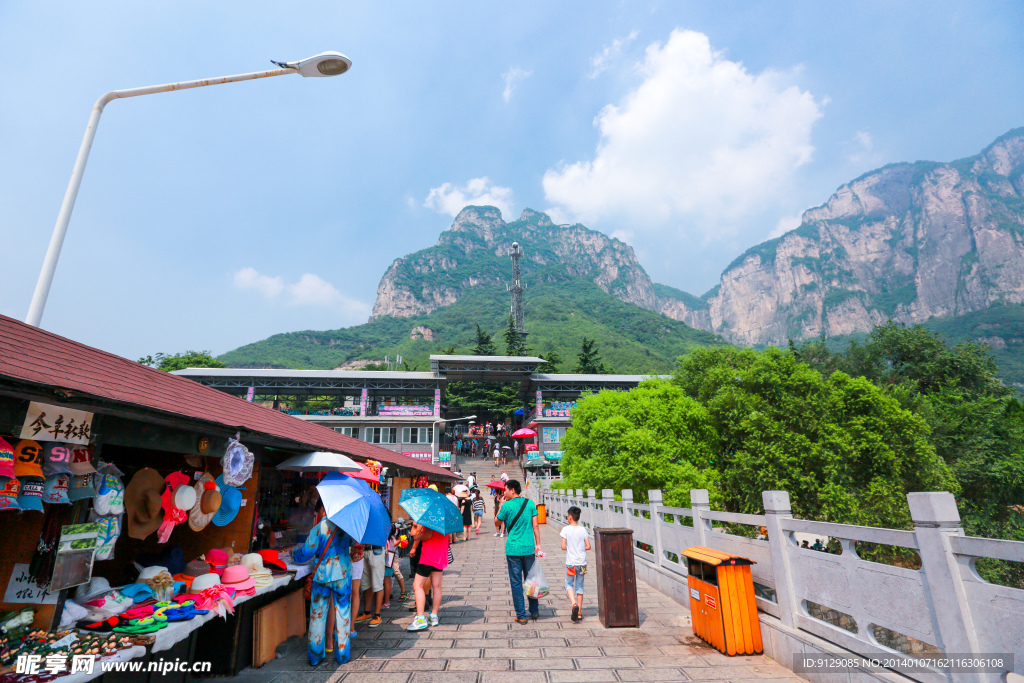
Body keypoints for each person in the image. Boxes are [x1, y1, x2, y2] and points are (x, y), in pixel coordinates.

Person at [293, 515, 353, 666]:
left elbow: (306, 552)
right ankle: (343, 655)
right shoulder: (349, 526)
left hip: (322, 575)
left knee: (317, 615)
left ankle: (315, 656)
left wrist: (294, 553)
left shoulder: (320, 526)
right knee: (343, 613)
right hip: (343, 574)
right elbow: (352, 544)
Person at [497, 480, 542, 624]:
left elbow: (497, 523)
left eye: (506, 490)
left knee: (516, 582)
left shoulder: (507, 505)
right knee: (531, 581)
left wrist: (500, 506)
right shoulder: (530, 503)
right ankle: (534, 611)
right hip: (529, 547)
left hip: (513, 549)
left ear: (512, 490)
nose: (504, 492)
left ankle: (521, 615)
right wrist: (538, 544)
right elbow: (536, 526)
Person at [406, 521, 448, 631]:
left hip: (428, 555)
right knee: (437, 586)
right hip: (440, 554)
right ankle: (434, 615)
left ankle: (420, 619)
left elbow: (428, 535)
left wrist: (418, 536)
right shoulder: (444, 518)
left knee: (417, 585)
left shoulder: (431, 517)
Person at [560, 506, 591, 622]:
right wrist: (581, 548)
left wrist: (570, 547)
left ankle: (573, 604)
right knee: (580, 587)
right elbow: (588, 546)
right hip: (582, 563)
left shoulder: (565, 530)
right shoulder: (582, 530)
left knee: (568, 584)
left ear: (570, 517)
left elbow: (563, 546)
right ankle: (579, 613)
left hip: (571, 563)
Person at [359, 541, 386, 627]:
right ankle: (367, 612)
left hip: (376, 550)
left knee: (378, 583)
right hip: (363, 550)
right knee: (367, 584)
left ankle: (377, 615)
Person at [383, 526, 407, 608]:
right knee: (390, 578)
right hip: (390, 560)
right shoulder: (392, 537)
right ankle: (389, 594)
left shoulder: (390, 538)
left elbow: (390, 547)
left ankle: (403, 592)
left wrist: (399, 540)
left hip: (392, 559)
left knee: (395, 573)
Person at [349, 541, 365, 635]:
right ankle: (351, 627)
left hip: (348, 560)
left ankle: (350, 626)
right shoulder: (361, 527)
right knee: (354, 593)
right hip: (356, 559)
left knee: (351, 593)